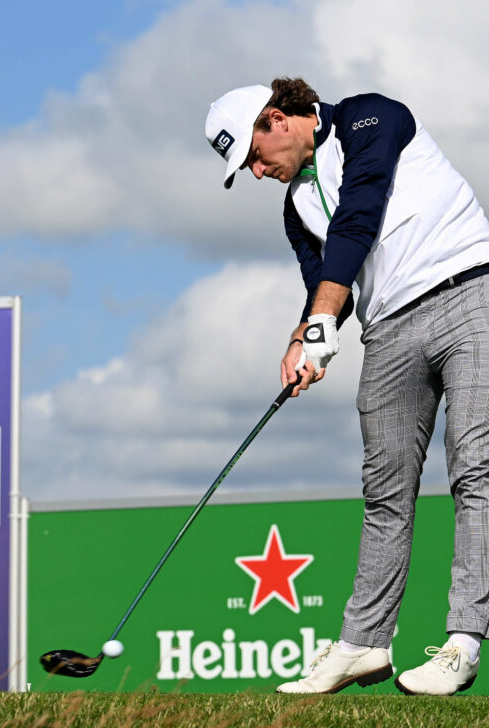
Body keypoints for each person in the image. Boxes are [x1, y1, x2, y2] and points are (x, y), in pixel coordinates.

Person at [206, 78, 489, 696]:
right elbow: (326, 287)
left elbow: (360, 214)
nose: (257, 173)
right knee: (386, 490)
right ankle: (365, 644)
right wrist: (305, 338)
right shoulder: (293, 210)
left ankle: (463, 641)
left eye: (254, 157)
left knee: (476, 470)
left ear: (277, 118)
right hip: (387, 329)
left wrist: (319, 322)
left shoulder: (371, 118)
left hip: (469, 290)